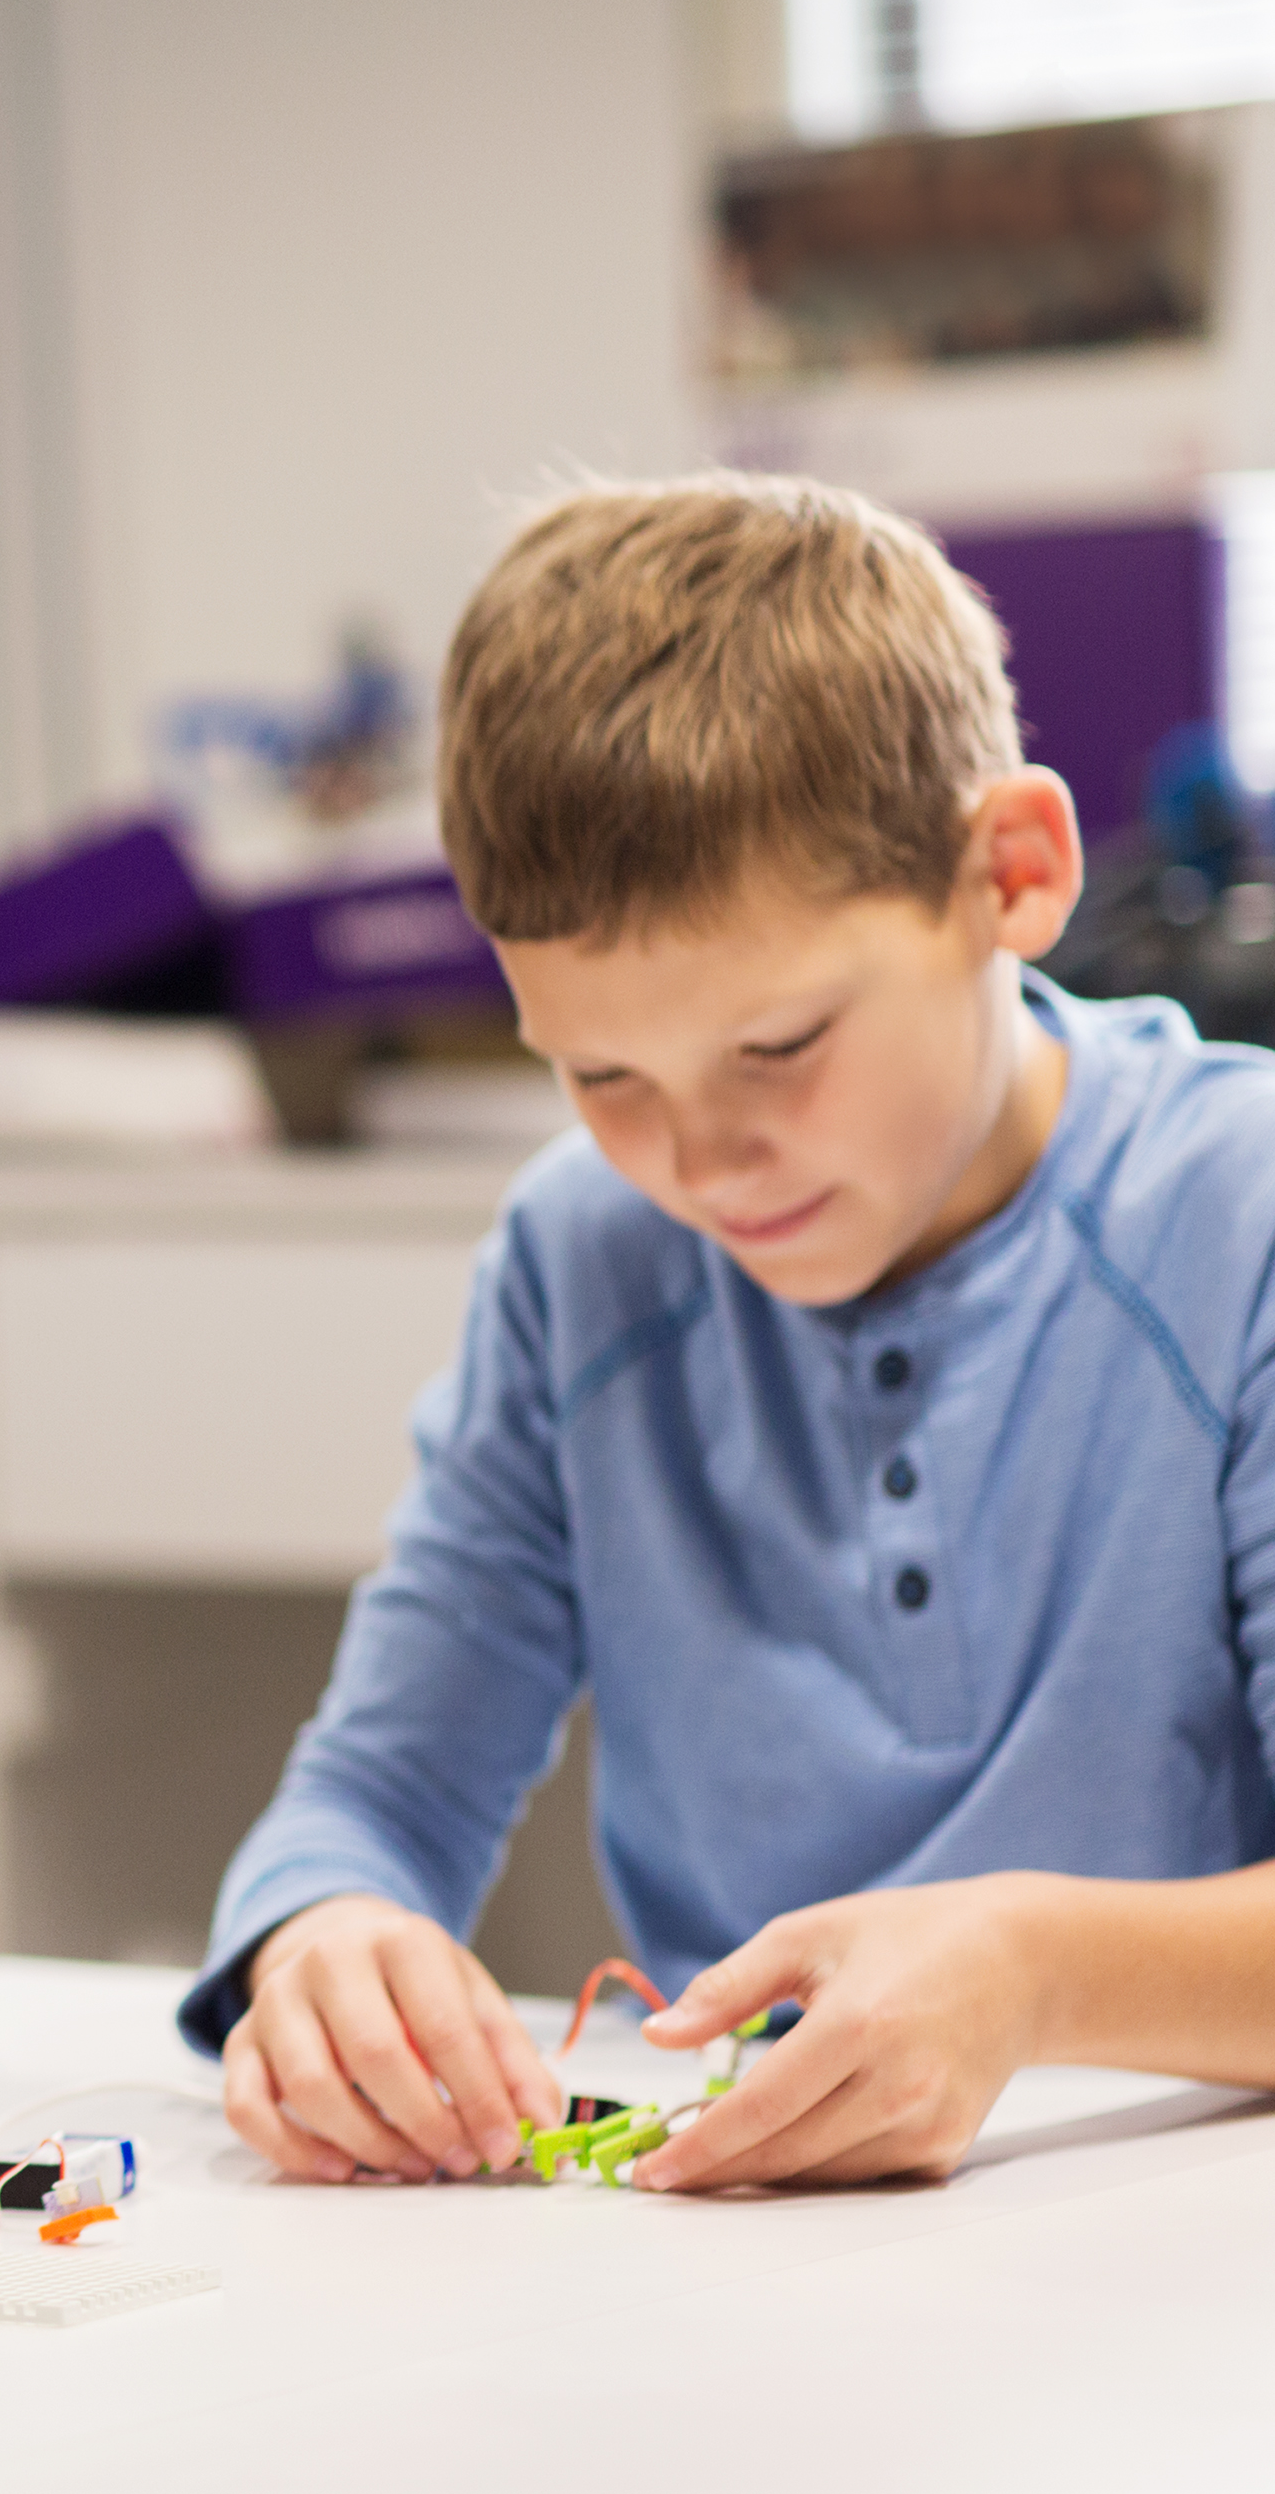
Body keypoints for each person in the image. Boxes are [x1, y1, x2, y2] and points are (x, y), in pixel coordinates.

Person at [189, 473, 1275, 2192]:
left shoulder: (1239, 1218)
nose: (696, 1163)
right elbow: (375, 1792)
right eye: (600, 1074)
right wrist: (322, 1939)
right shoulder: (583, 1257)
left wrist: (1032, 1971)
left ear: (1011, 872)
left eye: (776, 1047)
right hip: (747, 2264)